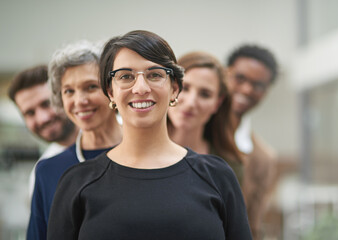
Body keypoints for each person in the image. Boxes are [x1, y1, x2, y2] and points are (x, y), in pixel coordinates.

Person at [47, 30, 252, 240]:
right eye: (126, 76)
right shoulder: (77, 182)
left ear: (174, 88)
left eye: (154, 75)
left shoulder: (217, 176)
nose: (141, 88)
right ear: (110, 92)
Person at [26, 40, 123, 240]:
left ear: (113, 90)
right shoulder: (48, 171)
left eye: (90, 87)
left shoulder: (147, 157)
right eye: (69, 91)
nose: (79, 101)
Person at [167, 51, 245, 183]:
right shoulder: (129, 148)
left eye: (205, 94)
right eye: (184, 88)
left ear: (217, 103)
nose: (191, 103)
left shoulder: (227, 167)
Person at [227, 44, 278, 240]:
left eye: (258, 85)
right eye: (240, 78)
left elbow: (253, 226)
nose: (247, 89)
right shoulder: (188, 130)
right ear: (225, 74)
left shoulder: (262, 159)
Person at [7, 65, 78, 199]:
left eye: (46, 103)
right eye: (30, 113)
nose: (42, 118)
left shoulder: (123, 139)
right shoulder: (43, 173)